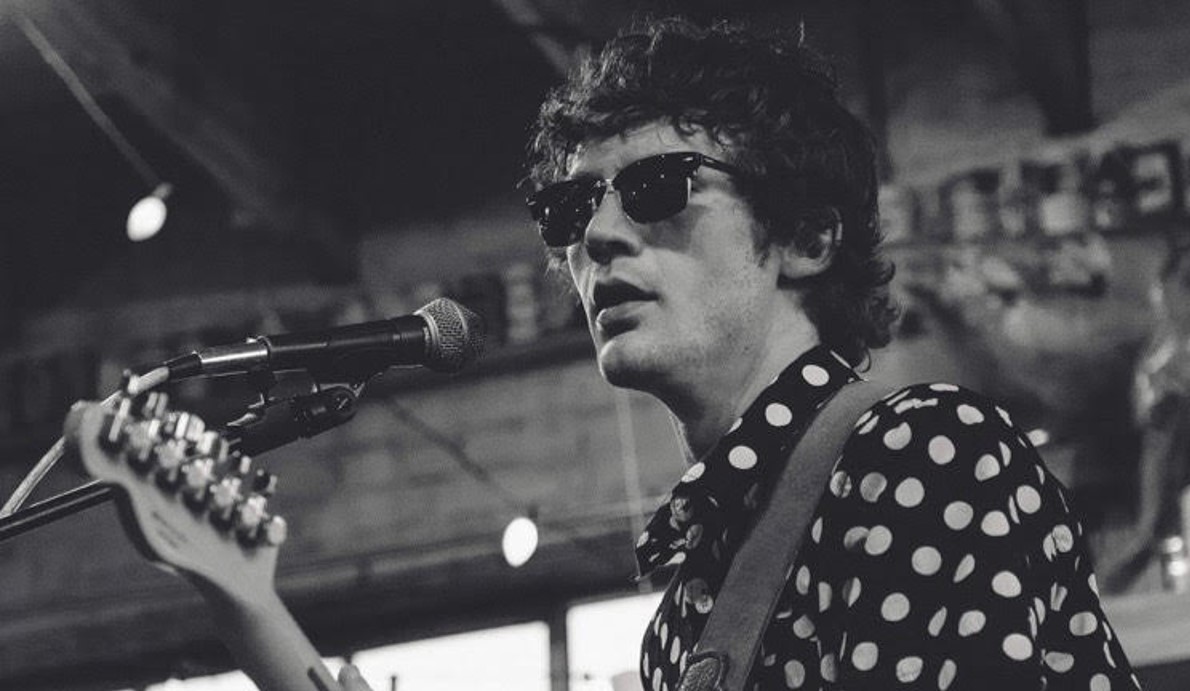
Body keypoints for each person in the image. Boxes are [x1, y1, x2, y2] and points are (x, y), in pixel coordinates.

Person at [343, 16, 1141, 691]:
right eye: (569, 206)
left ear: (807, 236)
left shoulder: (922, 455)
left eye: (660, 186)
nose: (598, 235)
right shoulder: (682, 624)